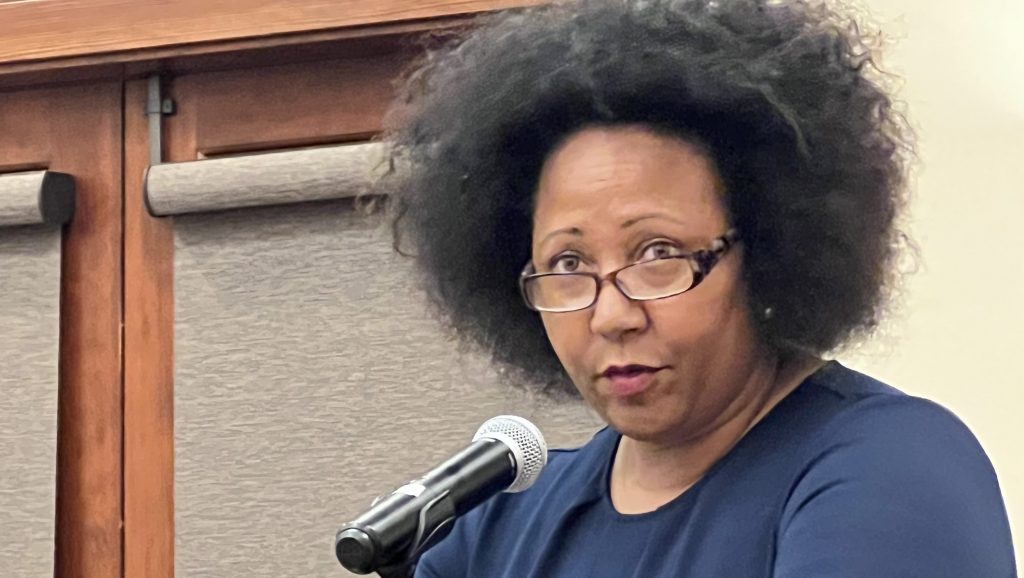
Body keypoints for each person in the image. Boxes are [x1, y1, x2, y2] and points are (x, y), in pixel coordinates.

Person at [381, 0, 1017, 575]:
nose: (611, 315)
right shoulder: (495, 529)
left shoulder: (890, 465)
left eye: (657, 253)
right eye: (568, 263)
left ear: (762, 250)